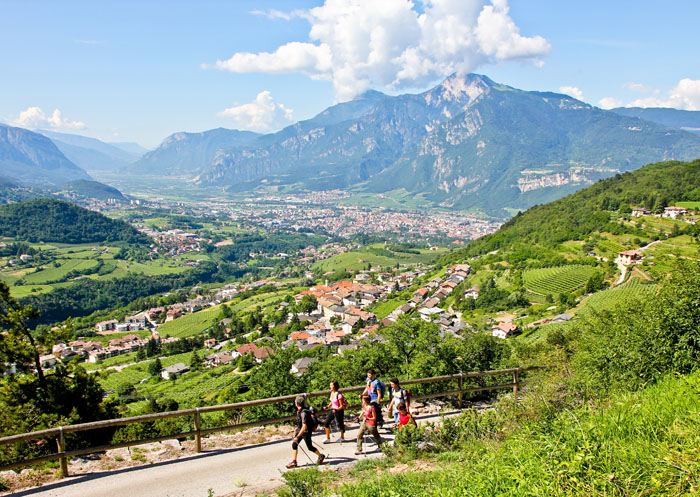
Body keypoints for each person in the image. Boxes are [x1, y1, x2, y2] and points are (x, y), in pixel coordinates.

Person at [286, 395, 326, 468]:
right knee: (294, 444)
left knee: (310, 447)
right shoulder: (300, 411)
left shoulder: (303, 413)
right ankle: (294, 462)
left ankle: (321, 456)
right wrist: (296, 430)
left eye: (295, 401)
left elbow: (304, 426)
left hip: (306, 432)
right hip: (301, 430)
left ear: (297, 403)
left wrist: (297, 436)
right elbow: (301, 424)